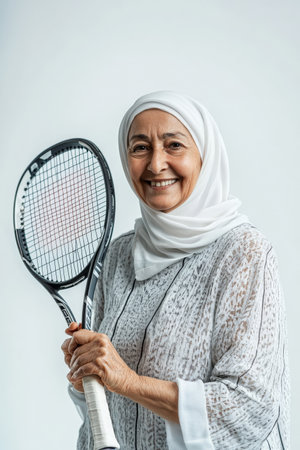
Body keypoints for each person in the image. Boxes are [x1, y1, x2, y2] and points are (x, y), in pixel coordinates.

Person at [61, 91, 290, 449]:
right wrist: (89, 379)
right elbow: (111, 409)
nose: (155, 165)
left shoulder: (243, 253)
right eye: (140, 148)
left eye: (174, 145)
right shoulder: (120, 254)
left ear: (205, 156)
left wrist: (127, 381)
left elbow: (251, 408)